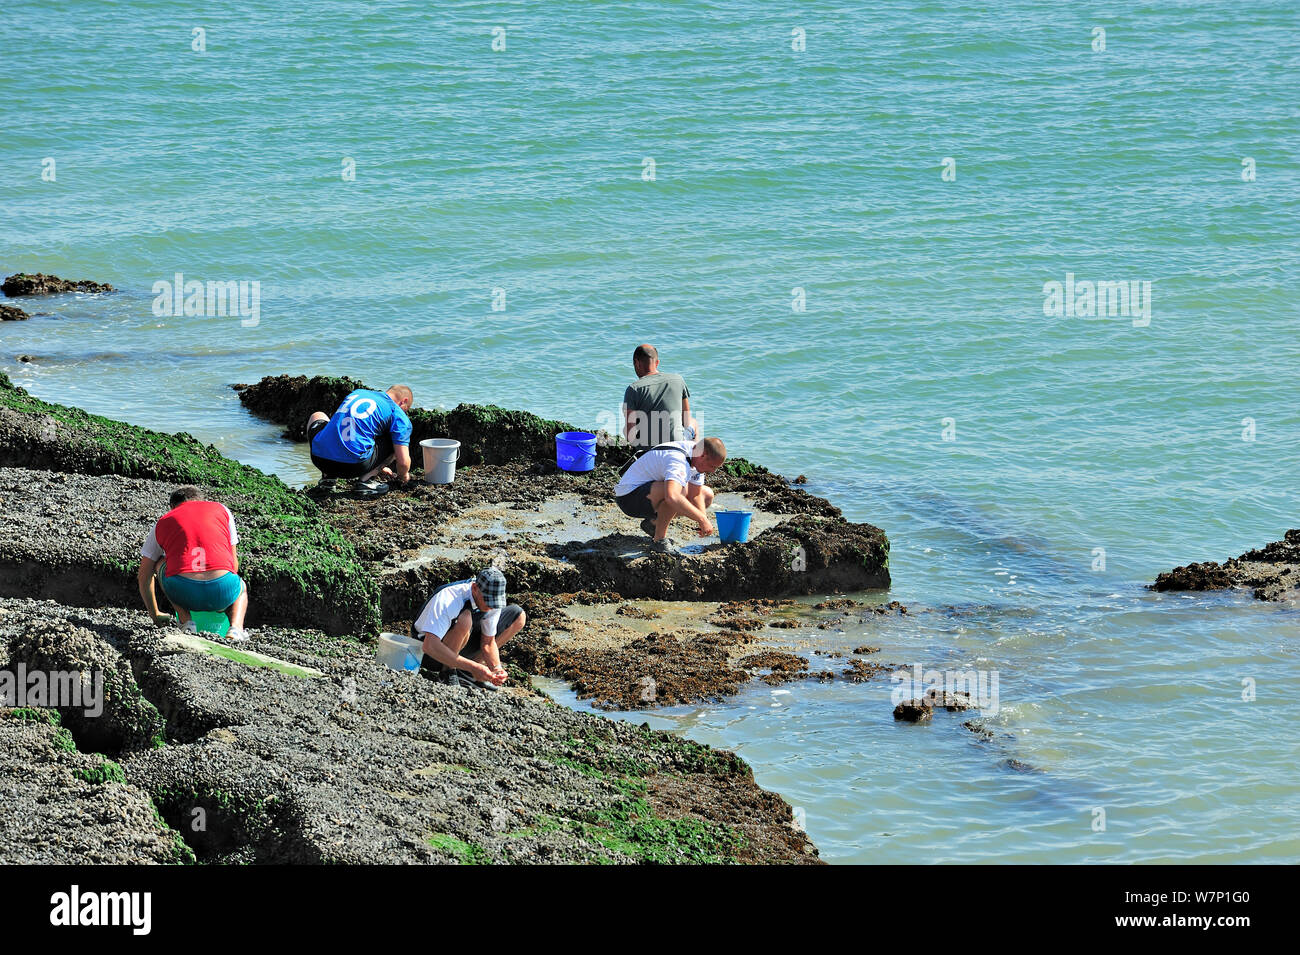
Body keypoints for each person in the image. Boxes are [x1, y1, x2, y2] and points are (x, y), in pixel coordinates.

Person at [138, 486, 250, 642]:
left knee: (159, 564)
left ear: (172, 507)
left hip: (184, 591)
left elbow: (143, 576)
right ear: (201, 500)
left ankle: (186, 621)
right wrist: (221, 600)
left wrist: (155, 614)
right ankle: (236, 629)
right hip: (221, 591)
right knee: (241, 587)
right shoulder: (222, 510)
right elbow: (234, 565)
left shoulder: (163, 521)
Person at [410, 568, 526, 691]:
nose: (491, 606)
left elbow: (488, 642)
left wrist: (496, 668)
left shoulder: (492, 599)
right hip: (427, 654)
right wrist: (473, 667)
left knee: (518, 616)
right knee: (465, 619)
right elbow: (429, 646)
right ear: (475, 588)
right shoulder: (450, 598)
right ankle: (448, 672)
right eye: (487, 601)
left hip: (458, 645)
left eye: (495, 603)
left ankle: (466, 674)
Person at [614, 437, 727, 554]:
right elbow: (672, 497)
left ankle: (654, 523)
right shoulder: (678, 460)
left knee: (706, 494)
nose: (713, 471)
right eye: (713, 466)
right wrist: (702, 519)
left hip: (649, 492)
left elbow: (696, 495)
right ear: (703, 456)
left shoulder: (695, 453)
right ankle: (659, 541)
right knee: (678, 492)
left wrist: (702, 521)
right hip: (629, 498)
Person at [306, 385, 414, 491]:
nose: (404, 413)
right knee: (397, 438)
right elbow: (403, 462)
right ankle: (366, 480)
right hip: (354, 466)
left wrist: (378, 466)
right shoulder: (397, 412)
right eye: (406, 410)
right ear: (404, 401)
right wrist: (403, 477)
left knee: (318, 415)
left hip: (319, 460)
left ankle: (328, 478)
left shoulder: (357, 393)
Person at [622, 344, 696, 450]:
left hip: (647, 450)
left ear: (637, 363)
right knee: (693, 422)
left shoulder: (633, 389)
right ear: (657, 363)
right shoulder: (678, 380)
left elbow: (630, 435)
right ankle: (691, 459)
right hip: (676, 445)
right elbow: (686, 419)